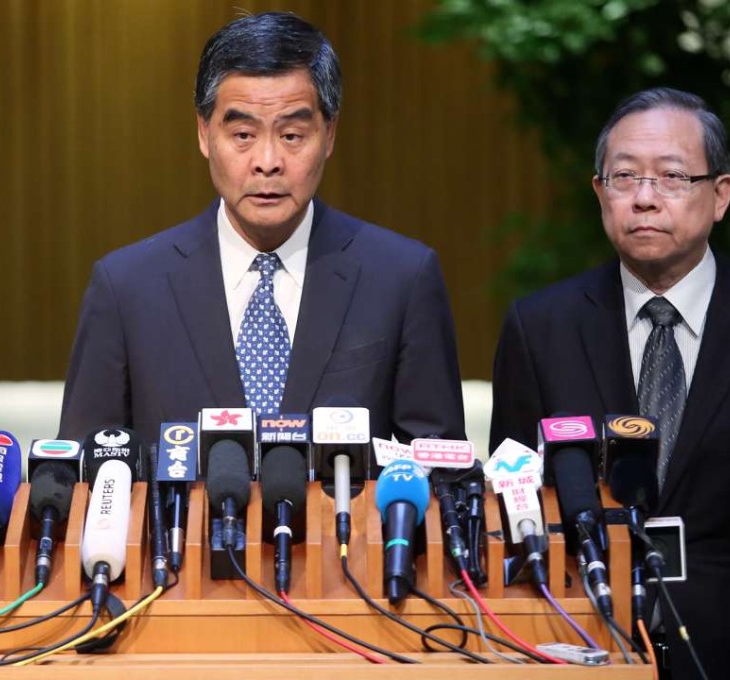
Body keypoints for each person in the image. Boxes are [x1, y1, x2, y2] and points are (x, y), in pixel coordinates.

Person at [58, 11, 465, 445]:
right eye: (243, 135)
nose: (267, 161)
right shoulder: (126, 288)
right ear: (203, 133)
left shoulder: (402, 277)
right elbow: (87, 473)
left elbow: (440, 469)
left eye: (291, 135)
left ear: (329, 135)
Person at [490, 87, 730, 679]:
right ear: (600, 192)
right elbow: (514, 496)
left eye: (672, 177)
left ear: (719, 195)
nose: (644, 199)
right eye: (624, 177)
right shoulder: (540, 326)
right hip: (588, 642)